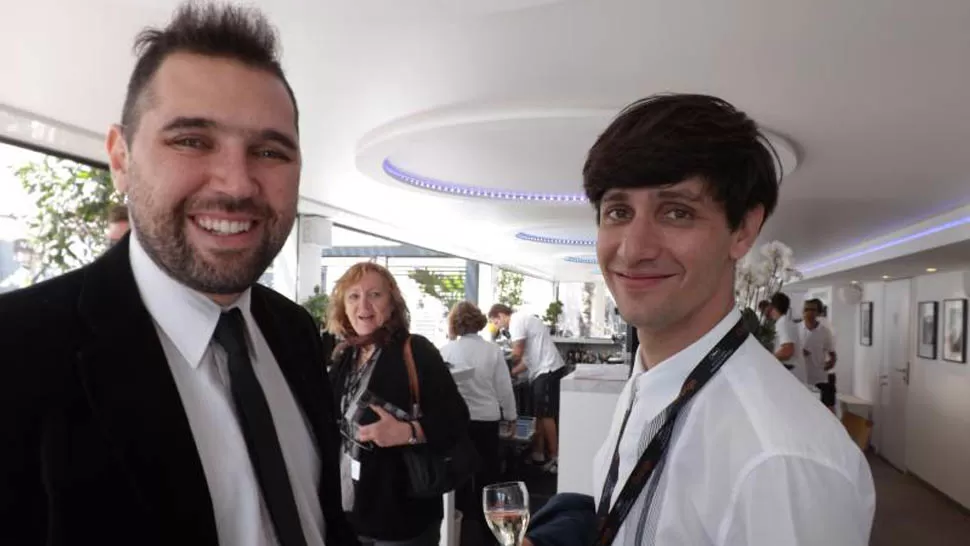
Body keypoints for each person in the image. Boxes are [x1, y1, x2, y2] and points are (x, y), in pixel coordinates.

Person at [0, 4, 357, 546]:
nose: (237, 184)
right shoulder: (17, 352)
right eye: (191, 140)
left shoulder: (294, 333)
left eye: (269, 151)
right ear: (120, 158)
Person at [524, 93, 874, 546]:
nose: (634, 249)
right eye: (618, 211)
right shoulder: (650, 379)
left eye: (677, 212)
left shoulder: (776, 458)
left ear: (743, 230)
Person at [327, 262, 470, 546]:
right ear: (343, 305)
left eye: (375, 295)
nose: (363, 305)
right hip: (349, 511)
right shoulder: (345, 355)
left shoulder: (415, 350)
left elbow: (456, 419)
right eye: (353, 296)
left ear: (392, 305)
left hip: (402, 516)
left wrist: (408, 432)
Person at [439, 301, 518, 540]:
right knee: (489, 475)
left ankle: (459, 529)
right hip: (487, 418)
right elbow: (504, 388)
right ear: (479, 322)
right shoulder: (492, 350)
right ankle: (490, 531)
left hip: (458, 422)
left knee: (460, 474)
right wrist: (511, 417)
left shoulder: (445, 351)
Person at [488, 303, 566, 473]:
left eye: (495, 322)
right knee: (538, 414)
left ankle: (556, 459)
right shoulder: (523, 320)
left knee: (546, 415)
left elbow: (517, 353)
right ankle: (539, 455)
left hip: (548, 370)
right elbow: (528, 360)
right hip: (545, 370)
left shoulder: (516, 321)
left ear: (500, 315)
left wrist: (499, 365)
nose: (497, 326)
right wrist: (510, 373)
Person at [801, 298, 838, 412]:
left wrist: (830, 363)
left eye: (812, 310)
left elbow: (832, 353)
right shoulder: (797, 329)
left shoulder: (824, 331)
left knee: (823, 411)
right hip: (801, 378)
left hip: (819, 378)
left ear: (818, 312)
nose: (809, 312)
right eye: (806, 309)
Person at [768, 292, 808, 383]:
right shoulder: (785, 322)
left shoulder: (783, 323)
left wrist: (767, 359)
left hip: (791, 375)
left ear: (772, 307)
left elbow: (787, 351)